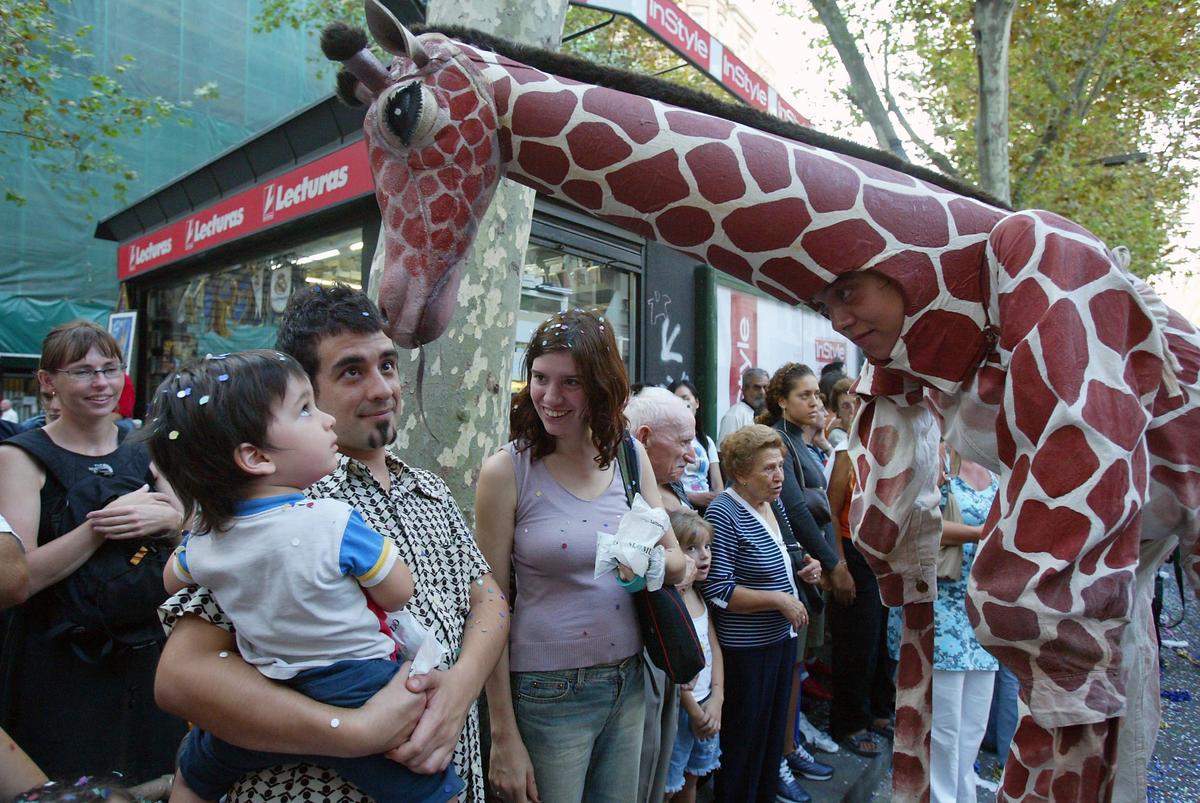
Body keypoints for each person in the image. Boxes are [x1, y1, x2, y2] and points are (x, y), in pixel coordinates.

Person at [814, 221, 1200, 795]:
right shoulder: (916, 355)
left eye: (847, 294)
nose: (839, 320)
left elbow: (1077, 475)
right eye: (825, 307)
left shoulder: (1036, 256)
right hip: (1088, 588)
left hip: (1109, 571)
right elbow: (883, 507)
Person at [153, 285, 505, 802]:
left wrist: (459, 688)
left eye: (387, 365)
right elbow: (181, 678)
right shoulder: (265, 506)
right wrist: (355, 731)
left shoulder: (428, 490)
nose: (383, 388)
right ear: (304, 392)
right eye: (352, 371)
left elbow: (489, 598)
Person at [476, 309, 692, 803]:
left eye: (570, 382)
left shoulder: (629, 457)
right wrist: (503, 735)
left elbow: (677, 562)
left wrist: (646, 565)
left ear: (601, 385)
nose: (551, 398)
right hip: (544, 696)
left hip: (630, 682)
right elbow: (488, 606)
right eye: (540, 378)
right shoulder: (507, 472)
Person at [0, 321, 186, 782]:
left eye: (110, 369)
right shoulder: (19, 457)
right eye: (83, 371)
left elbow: (196, 547)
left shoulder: (146, 445)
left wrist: (173, 522)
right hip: (59, 667)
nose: (101, 383)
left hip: (146, 656)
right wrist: (101, 526)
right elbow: (18, 581)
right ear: (48, 382)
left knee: (154, 779)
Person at [702, 424, 818, 803]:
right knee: (744, 746)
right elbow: (718, 589)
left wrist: (806, 566)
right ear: (740, 473)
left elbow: (786, 552)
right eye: (768, 468)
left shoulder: (773, 503)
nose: (779, 475)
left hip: (779, 642)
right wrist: (778, 600)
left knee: (769, 743)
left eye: (780, 465)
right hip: (746, 651)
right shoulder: (725, 511)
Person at [756, 363, 844, 774]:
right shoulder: (779, 441)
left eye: (817, 395)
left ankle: (791, 743)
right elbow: (793, 509)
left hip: (809, 565)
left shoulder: (802, 440)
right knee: (790, 664)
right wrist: (830, 562)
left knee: (799, 663)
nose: (815, 402)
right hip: (796, 567)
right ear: (781, 401)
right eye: (804, 395)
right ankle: (783, 751)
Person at [625, 386, 698, 802]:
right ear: (646, 437)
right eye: (684, 442)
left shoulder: (670, 488)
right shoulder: (628, 491)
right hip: (645, 656)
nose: (692, 455)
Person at [823, 381, 894, 759]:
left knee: (883, 642)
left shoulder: (896, 447)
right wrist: (839, 567)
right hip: (854, 553)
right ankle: (849, 721)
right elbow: (831, 511)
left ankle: (879, 712)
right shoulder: (846, 449)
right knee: (858, 644)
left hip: (885, 556)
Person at [926, 448, 999, 803]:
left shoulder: (999, 470)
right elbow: (920, 526)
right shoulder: (939, 462)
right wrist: (980, 533)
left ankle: (963, 796)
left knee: (972, 728)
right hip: (944, 608)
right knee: (944, 728)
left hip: (985, 614)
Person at [665, 509, 724, 803]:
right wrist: (696, 711)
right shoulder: (672, 602)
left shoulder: (700, 596)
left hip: (707, 706)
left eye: (707, 546)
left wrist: (717, 698)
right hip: (683, 711)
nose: (704, 556)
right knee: (668, 785)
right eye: (691, 548)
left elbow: (714, 650)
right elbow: (675, 668)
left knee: (692, 780)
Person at [669, 380, 724, 509]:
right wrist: (691, 497)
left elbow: (718, 484)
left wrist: (715, 499)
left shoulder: (706, 441)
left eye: (686, 398)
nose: (683, 404)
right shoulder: (668, 439)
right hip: (681, 506)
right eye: (677, 400)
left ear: (697, 402)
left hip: (708, 506)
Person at [716, 367, 769, 445]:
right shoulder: (734, 416)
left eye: (765, 387)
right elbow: (722, 453)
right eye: (757, 387)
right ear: (744, 389)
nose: (762, 392)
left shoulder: (767, 414)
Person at [823, 377, 855, 454]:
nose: (853, 410)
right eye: (846, 406)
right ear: (838, 411)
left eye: (856, 403)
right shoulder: (836, 436)